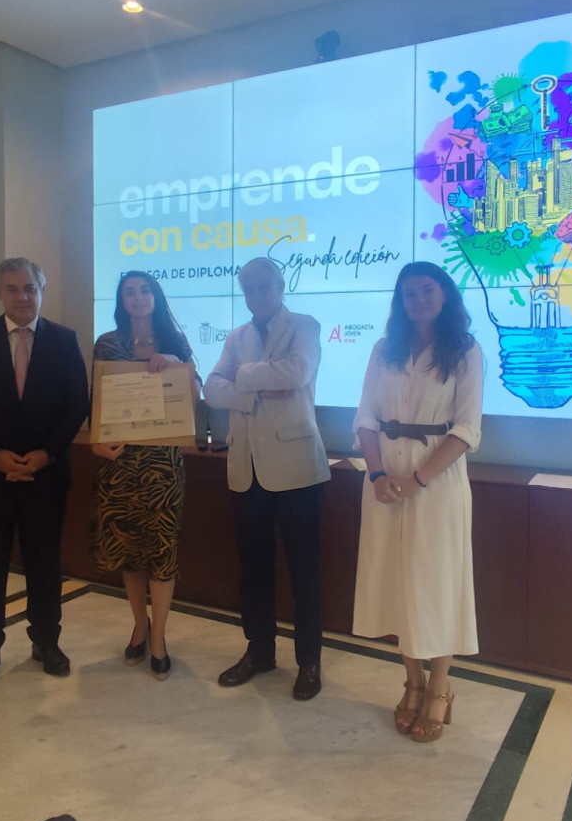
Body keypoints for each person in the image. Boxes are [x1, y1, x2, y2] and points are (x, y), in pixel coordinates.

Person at [0, 258, 89, 692]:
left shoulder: (64, 340)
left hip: (46, 476)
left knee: (45, 566)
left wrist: (46, 454)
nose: (22, 297)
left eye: (29, 288)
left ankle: (46, 642)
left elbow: (76, 404)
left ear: (41, 291)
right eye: (12, 289)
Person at [353, 261, 482, 742]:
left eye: (427, 290)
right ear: (399, 301)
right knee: (396, 580)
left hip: (437, 484)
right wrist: (378, 474)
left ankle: (440, 687)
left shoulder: (464, 350)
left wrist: (417, 479)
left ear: (444, 294)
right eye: (409, 293)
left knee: (437, 583)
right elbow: (366, 417)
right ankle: (412, 681)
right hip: (385, 481)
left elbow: (467, 429)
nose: (419, 300)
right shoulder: (384, 349)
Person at [204, 257, 329, 701]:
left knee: (303, 570)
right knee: (253, 570)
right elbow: (210, 389)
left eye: (264, 287)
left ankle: (309, 661)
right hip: (247, 469)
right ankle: (259, 652)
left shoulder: (305, 326)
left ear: (280, 286)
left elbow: (297, 373)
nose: (257, 295)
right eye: (249, 289)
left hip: (297, 468)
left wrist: (240, 378)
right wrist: (258, 388)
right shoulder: (236, 337)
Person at [90, 271, 196, 680]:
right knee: (129, 551)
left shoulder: (176, 342)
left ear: (156, 296)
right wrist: (97, 443)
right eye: (130, 292)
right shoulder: (107, 344)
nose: (138, 297)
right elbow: (97, 401)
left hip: (163, 467)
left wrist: (177, 366)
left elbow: (197, 397)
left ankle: (159, 637)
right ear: (121, 301)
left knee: (163, 552)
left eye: (145, 290)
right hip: (120, 465)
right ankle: (140, 624)